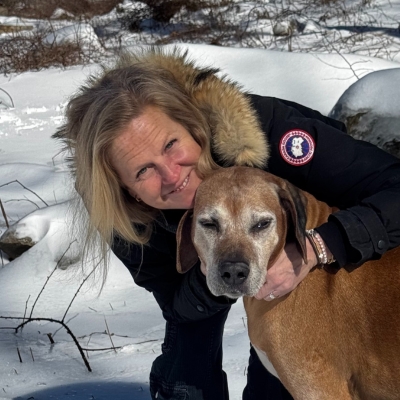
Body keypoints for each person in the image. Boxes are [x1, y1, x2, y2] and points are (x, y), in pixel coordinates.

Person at [54, 47, 400, 400]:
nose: (172, 175)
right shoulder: (120, 213)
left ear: (195, 128)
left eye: (171, 145)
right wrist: (213, 274)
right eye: (143, 170)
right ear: (122, 185)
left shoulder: (268, 134)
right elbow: (175, 301)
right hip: (201, 275)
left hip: (335, 240)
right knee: (188, 379)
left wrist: (318, 245)